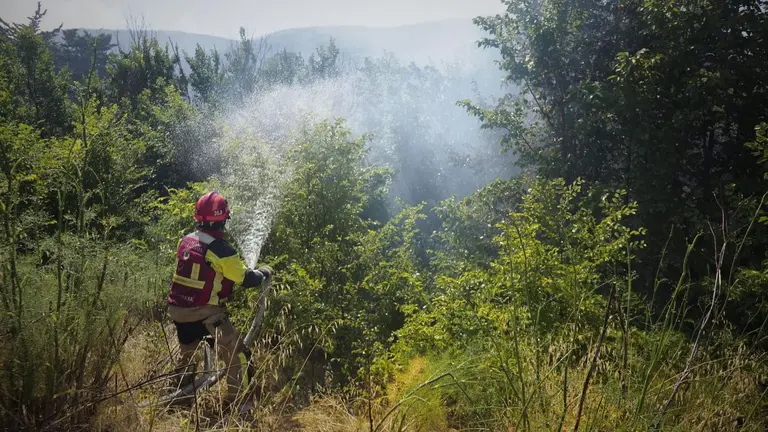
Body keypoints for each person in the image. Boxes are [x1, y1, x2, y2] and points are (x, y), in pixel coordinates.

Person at [167, 191, 272, 404]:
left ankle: (176, 399)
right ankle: (240, 405)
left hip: (177, 311)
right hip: (204, 313)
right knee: (237, 355)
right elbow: (246, 279)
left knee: (189, 356)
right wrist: (264, 272)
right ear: (223, 219)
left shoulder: (185, 240)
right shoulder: (221, 250)